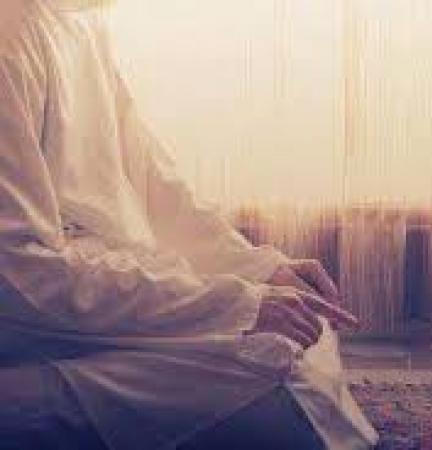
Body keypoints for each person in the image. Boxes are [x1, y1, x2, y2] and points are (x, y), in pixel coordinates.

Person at [0, 0, 379, 449]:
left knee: (300, 332)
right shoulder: (10, 35)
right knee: (274, 368)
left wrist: (261, 271)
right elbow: (19, 279)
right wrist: (236, 307)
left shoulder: (81, 19)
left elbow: (154, 185)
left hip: (100, 290)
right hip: (35, 321)